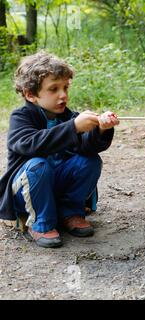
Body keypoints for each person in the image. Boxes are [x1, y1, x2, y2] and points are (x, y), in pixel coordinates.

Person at [0, 51, 120, 248]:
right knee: (37, 166)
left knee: (90, 160)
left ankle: (70, 211)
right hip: (26, 192)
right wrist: (73, 127)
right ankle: (41, 222)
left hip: (57, 186)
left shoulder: (68, 116)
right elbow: (29, 143)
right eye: (53, 89)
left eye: (65, 87)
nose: (63, 95)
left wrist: (101, 129)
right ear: (31, 95)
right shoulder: (21, 117)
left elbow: (87, 146)